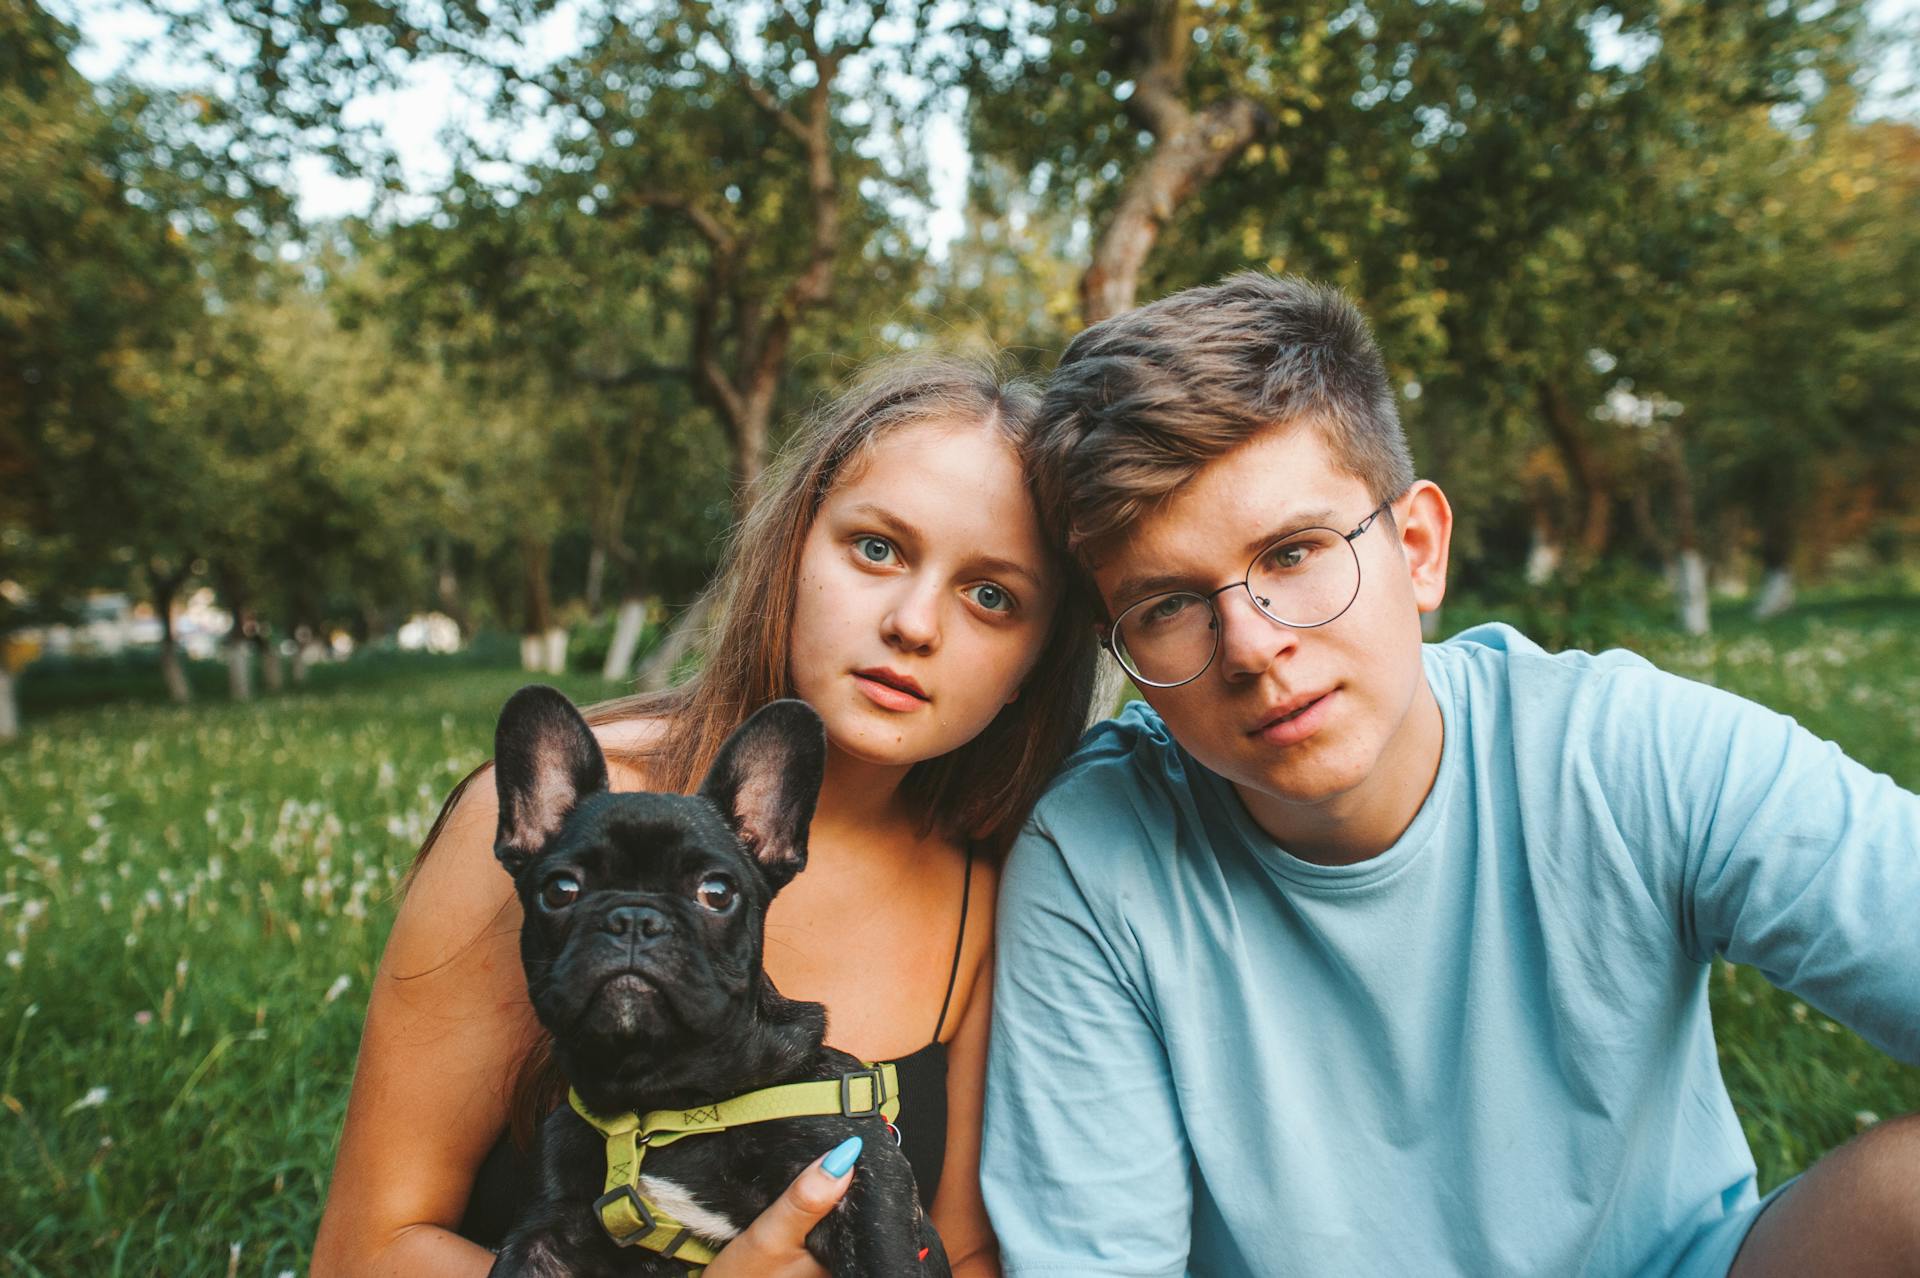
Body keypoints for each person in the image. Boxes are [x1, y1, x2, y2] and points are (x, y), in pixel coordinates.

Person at [981, 273, 1920, 1277]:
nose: (1251, 648)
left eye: (1295, 553)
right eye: (1167, 605)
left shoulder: (1618, 748)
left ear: (1418, 548)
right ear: (1121, 653)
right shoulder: (1090, 859)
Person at [311, 354, 1099, 1277]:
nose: (915, 622)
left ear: (1032, 668)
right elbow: (362, 1251)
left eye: (991, 596)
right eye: (878, 548)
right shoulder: (566, 829)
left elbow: (963, 1255)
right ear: (791, 553)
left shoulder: (992, 886)